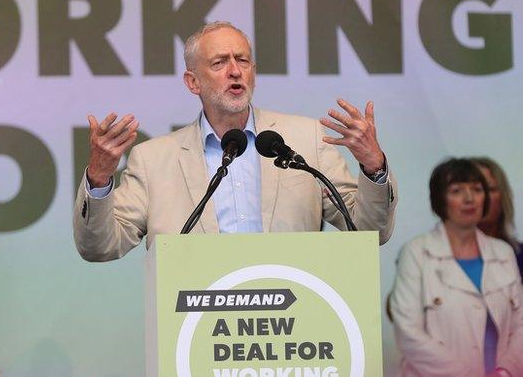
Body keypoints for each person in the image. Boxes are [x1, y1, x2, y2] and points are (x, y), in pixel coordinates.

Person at [73, 21, 398, 261]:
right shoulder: (153, 160)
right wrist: (99, 177)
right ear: (193, 82)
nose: (234, 71)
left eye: (242, 61)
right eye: (219, 63)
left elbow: (371, 231)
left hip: (294, 323)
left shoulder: (307, 140)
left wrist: (373, 166)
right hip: (197, 329)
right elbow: (99, 247)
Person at [389, 158, 523, 377]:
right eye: (457, 190)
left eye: (477, 190)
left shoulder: (503, 253)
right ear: (440, 200)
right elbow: (408, 331)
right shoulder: (416, 252)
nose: (469, 199)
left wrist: (505, 371)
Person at [472, 157, 523, 278]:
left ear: (503, 197)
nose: (483, 197)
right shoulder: (437, 256)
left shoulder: (522, 256)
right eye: (477, 190)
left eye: (490, 189)